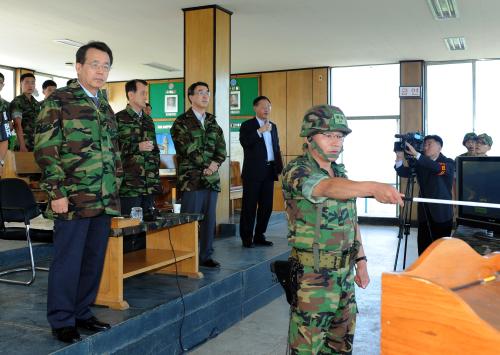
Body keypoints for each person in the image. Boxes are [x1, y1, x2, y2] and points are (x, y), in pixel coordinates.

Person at [282, 105, 403, 354]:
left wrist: (361, 261)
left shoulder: (339, 170)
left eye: (340, 136)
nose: (336, 142)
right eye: (328, 136)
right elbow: (325, 188)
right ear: (309, 138)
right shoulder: (297, 170)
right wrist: (373, 187)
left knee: (341, 344)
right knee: (307, 346)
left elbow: (351, 220)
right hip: (313, 277)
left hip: (344, 275)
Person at [35, 41, 122, 344]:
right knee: (68, 259)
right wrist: (56, 192)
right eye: (95, 64)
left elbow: (113, 150)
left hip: (104, 197)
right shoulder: (59, 100)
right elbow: (46, 150)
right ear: (79, 66)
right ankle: (62, 320)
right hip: (71, 197)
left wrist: (116, 184)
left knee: (93, 258)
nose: (101, 71)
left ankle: (82, 312)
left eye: (106, 66)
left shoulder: (104, 105)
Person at [171, 81, 226, 268]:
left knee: (209, 221)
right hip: (192, 180)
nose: (205, 96)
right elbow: (187, 149)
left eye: (207, 93)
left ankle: (205, 256)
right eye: (201, 92)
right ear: (191, 96)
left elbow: (221, 148)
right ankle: (187, 256)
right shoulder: (181, 122)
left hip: (211, 180)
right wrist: (207, 165)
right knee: (190, 220)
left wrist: (215, 165)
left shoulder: (212, 121)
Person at [395, 135, 454, 255]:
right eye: (424, 144)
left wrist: (417, 155)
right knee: (423, 247)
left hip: (441, 213)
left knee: (441, 249)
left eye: (429, 144)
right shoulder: (420, 163)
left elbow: (437, 168)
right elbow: (403, 172)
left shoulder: (448, 163)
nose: (425, 147)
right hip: (424, 212)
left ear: (439, 147)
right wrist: (399, 157)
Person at [239, 96, 282, 248]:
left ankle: (259, 235)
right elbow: (245, 142)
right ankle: (246, 237)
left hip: (269, 171)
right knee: (249, 206)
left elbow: (275, 148)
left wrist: (279, 167)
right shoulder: (247, 125)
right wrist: (259, 131)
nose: (266, 109)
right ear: (255, 108)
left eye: (269, 107)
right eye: (263, 106)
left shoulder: (273, 126)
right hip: (253, 172)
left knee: (266, 207)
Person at [116, 79, 161, 215]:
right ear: (131, 95)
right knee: (130, 229)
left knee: (148, 230)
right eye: (142, 93)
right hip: (130, 185)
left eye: (146, 93)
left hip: (150, 184)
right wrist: (137, 147)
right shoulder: (118, 119)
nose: (146, 97)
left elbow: (154, 150)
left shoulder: (148, 120)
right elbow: (112, 149)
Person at [9, 72, 40, 151]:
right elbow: (17, 125)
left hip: (36, 143)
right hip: (23, 143)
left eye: (33, 83)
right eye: (27, 82)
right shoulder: (17, 101)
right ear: (21, 84)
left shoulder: (36, 103)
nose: (30, 85)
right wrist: (22, 146)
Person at [0, 72, 13, 166]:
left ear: (3, 85)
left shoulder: (6, 105)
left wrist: (1, 162)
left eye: (0, 82)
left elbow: (6, 135)